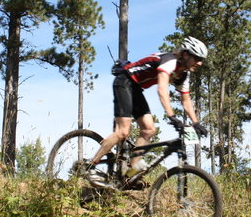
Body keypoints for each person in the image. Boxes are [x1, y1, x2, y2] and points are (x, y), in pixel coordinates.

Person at [86, 36, 209, 188]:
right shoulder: (169, 61)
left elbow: (186, 101)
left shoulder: (184, 74)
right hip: (124, 81)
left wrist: (196, 123)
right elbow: (162, 90)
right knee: (122, 132)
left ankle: (128, 176)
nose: (200, 63)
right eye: (197, 58)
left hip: (136, 88)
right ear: (185, 55)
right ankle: (89, 167)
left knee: (149, 130)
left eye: (201, 59)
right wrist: (172, 116)